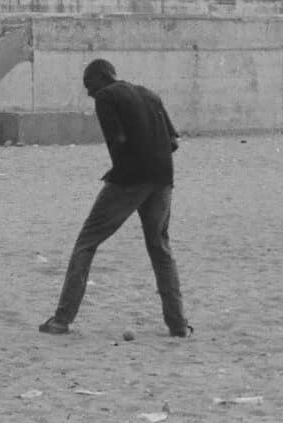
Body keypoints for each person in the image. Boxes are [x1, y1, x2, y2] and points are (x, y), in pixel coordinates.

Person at [39, 59, 192, 338]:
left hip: (130, 179)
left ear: (102, 77)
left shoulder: (106, 97)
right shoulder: (149, 94)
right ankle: (178, 324)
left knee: (86, 243)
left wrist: (121, 175)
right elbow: (172, 143)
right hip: (163, 177)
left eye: (89, 85)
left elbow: (117, 142)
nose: (89, 93)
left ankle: (61, 320)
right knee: (160, 248)